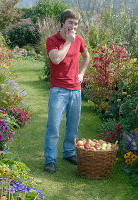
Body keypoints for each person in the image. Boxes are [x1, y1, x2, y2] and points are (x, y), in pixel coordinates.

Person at [44, 9, 90, 173]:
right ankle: (50, 160)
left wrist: (82, 73)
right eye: (70, 22)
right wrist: (68, 42)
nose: (73, 26)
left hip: (75, 90)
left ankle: (69, 153)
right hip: (58, 90)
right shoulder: (52, 40)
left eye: (76, 23)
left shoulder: (79, 39)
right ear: (62, 23)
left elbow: (87, 57)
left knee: (72, 127)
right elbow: (56, 59)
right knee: (53, 127)